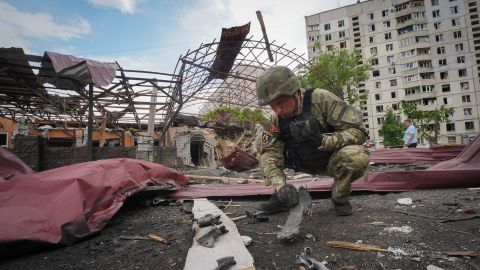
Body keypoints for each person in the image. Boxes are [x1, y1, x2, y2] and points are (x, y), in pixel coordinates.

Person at [255, 66, 370, 216]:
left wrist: (325, 140)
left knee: (357, 157)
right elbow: (267, 152)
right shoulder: (275, 120)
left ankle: (339, 198)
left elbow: (359, 131)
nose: (278, 111)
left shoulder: (322, 100)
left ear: (296, 93)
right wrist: (280, 185)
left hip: (329, 160)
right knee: (262, 148)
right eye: (272, 105)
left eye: (281, 102)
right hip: (297, 161)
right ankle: (281, 197)